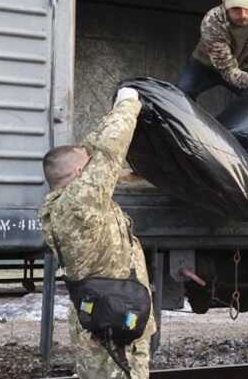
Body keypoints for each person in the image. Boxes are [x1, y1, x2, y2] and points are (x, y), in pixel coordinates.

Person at [39, 87, 155, 379]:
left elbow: (91, 149)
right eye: (86, 167)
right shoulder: (79, 202)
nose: (91, 164)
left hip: (107, 318)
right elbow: (109, 150)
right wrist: (128, 104)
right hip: (114, 328)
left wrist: (113, 107)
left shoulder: (66, 203)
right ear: (79, 176)